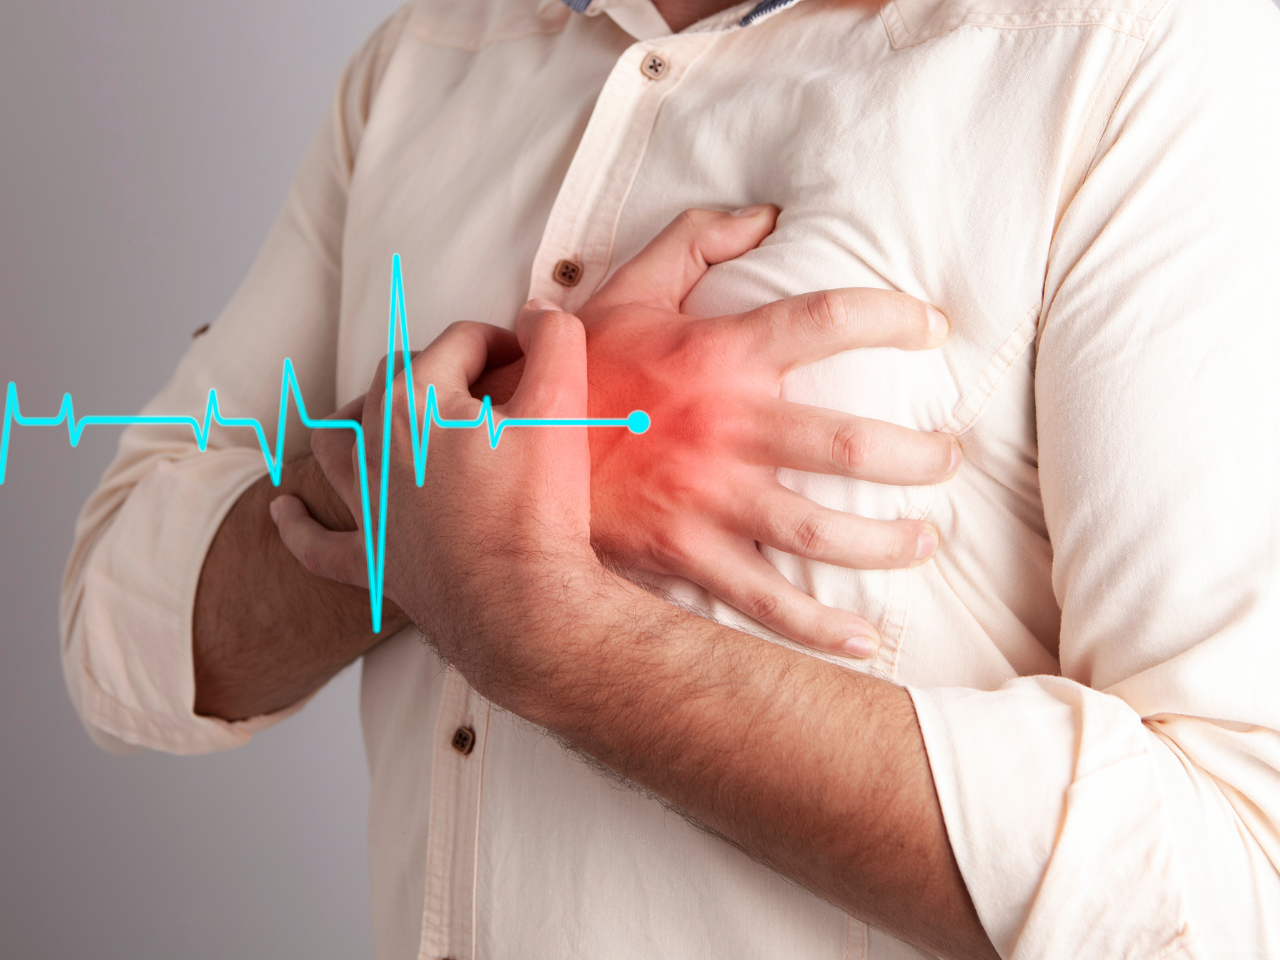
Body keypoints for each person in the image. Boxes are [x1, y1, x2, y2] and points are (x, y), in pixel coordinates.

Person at [60, 0, 1280, 957]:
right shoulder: (426, 56)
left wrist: (544, 625)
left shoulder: (1138, 55)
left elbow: (1236, 887)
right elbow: (127, 646)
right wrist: (447, 481)